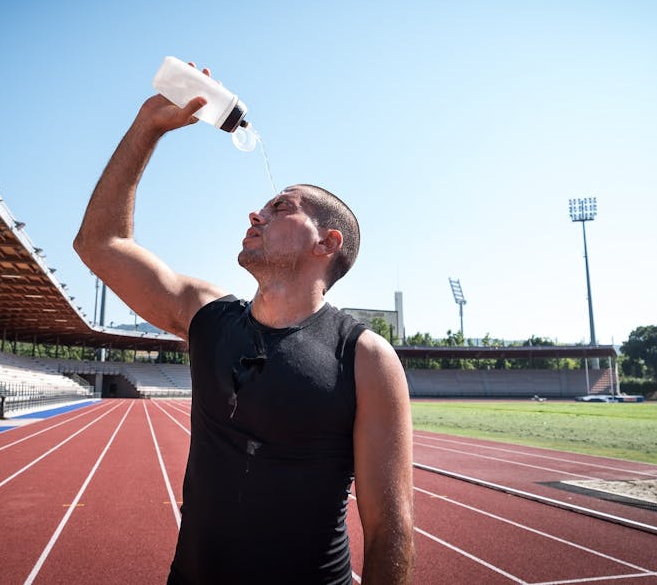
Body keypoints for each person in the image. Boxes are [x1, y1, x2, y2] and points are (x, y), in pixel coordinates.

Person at [73, 64, 414, 584]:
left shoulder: (364, 357)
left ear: (327, 243)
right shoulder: (208, 316)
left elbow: (390, 531)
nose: (255, 215)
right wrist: (147, 128)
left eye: (280, 208)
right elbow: (99, 244)